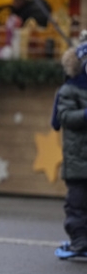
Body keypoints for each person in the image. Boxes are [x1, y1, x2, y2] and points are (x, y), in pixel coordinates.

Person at [51, 34, 87, 255]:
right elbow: (63, 116)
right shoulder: (70, 90)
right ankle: (79, 238)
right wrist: (84, 115)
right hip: (77, 160)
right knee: (77, 203)